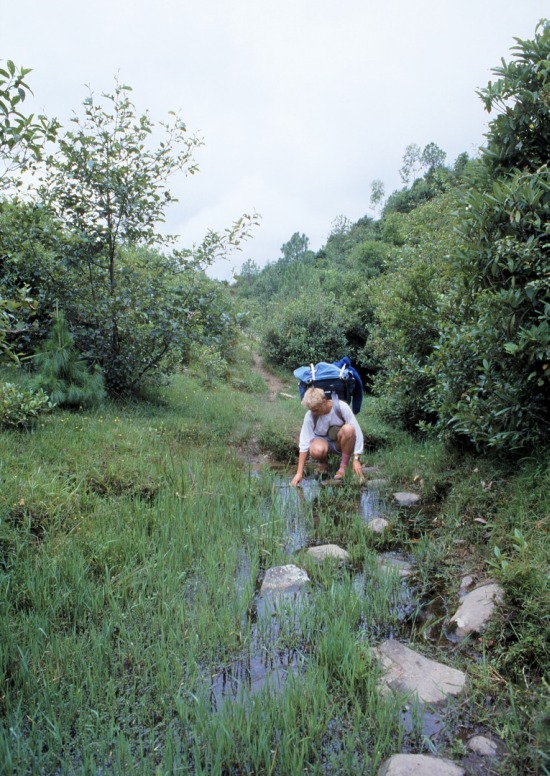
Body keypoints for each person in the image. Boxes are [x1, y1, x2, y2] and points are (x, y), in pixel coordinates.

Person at [290, 387, 364, 487]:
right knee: (316, 450)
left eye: (316, 410)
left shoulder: (341, 407)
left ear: (324, 402)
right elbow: (304, 443)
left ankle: (343, 466)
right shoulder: (310, 415)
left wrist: (356, 459)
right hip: (321, 442)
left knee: (349, 429)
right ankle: (323, 463)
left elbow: (357, 432)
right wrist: (299, 473)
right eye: (311, 410)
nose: (313, 413)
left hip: (339, 442)